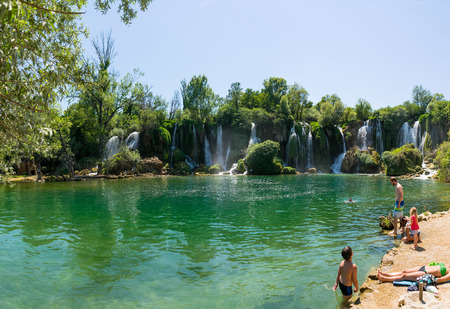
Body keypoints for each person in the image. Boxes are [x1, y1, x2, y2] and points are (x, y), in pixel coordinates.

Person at [377, 263, 450, 283]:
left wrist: (428, 280)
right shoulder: (448, 265)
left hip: (425, 273)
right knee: (403, 271)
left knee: (404, 276)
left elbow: (440, 280)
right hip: (423, 267)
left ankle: (385, 278)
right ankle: (385, 274)